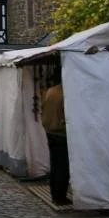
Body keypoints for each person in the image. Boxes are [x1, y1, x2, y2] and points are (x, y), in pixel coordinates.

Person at [41, 67, 71, 205]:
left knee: (55, 165)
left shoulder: (50, 91)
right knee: (63, 167)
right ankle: (60, 196)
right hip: (61, 132)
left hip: (50, 131)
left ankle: (55, 194)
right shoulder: (65, 92)